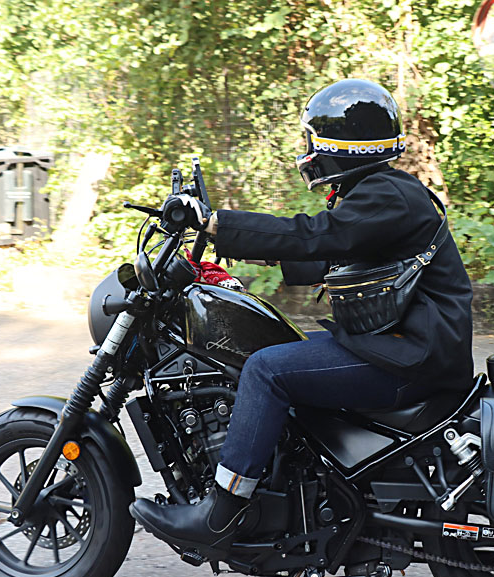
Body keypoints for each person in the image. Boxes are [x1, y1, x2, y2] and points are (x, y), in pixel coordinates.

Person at [130, 78, 474, 550]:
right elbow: (322, 253)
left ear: (341, 146)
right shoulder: (381, 194)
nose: (308, 151)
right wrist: (229, 254)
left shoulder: (387, 196)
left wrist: (215, 224)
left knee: (266, 370)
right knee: (276, 350)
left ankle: (221, 514)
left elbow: (314, 236)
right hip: (403, 348)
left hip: (411, 360)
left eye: (313, 140)